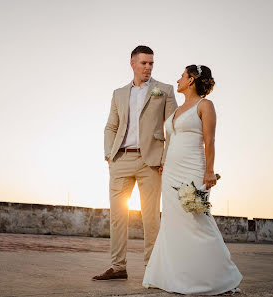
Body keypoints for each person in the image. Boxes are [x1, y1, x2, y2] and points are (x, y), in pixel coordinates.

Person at [142, 65, 242, 295]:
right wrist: (165, 162)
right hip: (170, 172)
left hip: (193, 170)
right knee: (172, 221)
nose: (177, 79)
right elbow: (171, 140)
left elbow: (210, 140)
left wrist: (209, 171)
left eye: (182, 75)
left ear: (191, 80)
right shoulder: (177, 109)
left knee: (198, 220)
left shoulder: (205, 105)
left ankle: (221, 276)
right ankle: (175, 275)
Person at [93, 45, 177, 280]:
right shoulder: (119, 93)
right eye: (144, 63)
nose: (148, 67)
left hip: (151, 161)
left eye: (151, 63)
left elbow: (172, 127)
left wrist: (165, 158)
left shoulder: (165, 90)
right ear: (132, 63)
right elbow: (111, 125)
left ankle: (153, 268)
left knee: (151, 218)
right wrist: (109, 154)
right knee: (118, 217)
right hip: (120, 158)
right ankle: (118, 267)